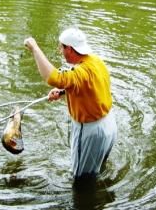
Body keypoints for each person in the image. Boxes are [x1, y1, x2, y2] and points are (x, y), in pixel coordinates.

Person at [23, 27, 117, 180]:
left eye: (61, 47)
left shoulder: (81, 72)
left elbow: (54, 78)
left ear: (70, 49)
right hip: (109, 126)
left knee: (81, 179)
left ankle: (86, 203)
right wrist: (62, 92)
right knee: (98, 170)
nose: (60, 50)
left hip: (90, 131)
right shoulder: (96, 61)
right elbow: (90, 87)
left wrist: (34, 48)